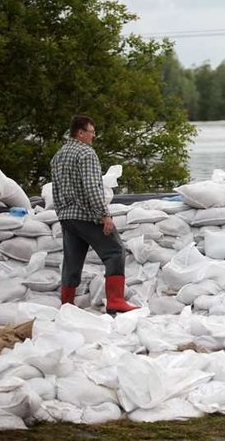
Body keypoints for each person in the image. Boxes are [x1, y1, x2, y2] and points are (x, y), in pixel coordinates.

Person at [51, 115, 138, 315]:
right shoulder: (86, 153)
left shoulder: (59, 155)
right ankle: (116, 301)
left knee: (72, 260)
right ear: (80, 133)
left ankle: (67, 305)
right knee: (115, 251)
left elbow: (55, 189)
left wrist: (62, 213)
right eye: (91, 132)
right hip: (86, 215)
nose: (94, 136)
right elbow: (92, 188)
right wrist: (104, 214)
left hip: (67, 216)